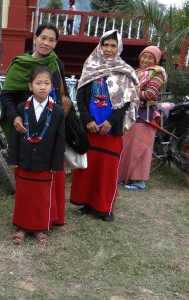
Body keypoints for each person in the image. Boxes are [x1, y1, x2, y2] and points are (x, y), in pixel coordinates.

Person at [0, 22, 72, 227]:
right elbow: (6, 97)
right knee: (28, 178)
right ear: (35, 39)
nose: (46, 43)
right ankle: (26, 219)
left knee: (51, 174)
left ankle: (51, 217)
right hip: (25, 125)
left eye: (51, 40)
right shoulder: (20, 63)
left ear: (56, 43)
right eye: (43, 38)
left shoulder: (56, 63)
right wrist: (15, 117)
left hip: (51, 124)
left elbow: (62, 93)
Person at [69, 29, 140, 222]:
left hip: (111, 131)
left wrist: (110, 121)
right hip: (90, 129)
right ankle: (86, 202)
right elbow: (81, 98)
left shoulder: (124, 71)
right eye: (105, 45)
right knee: (88, 168)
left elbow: (126, 102)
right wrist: (88, 120)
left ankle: (104, 207)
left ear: (119, 48)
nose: (108, 49)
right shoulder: (90, 67)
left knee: (107, 170)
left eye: (112, 45)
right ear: (100, 46)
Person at [9, 66, 65, 244]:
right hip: (25, 159)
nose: (42, 87)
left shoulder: (57, 111)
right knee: (24, 195)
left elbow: (60, 138)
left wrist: (56, 164)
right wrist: (14, 159)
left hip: (45, 161)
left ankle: (40, 227)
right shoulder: (21, 108)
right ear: (30, 86)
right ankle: (22, 227)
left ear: (52, 86)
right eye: (38, 83)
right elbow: (15, 136)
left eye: (47, 83)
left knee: (42, 196)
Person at [119, 46, 167, 191]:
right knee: (128, 146)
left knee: (140, 148)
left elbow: (151, 93)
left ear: (156, 60)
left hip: (145, 114)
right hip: (133, 112)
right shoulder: (137, 72)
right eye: (144, 57)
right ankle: (125, 177)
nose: (145, 60)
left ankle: (139, 182)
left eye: (150, 58)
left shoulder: (158, 74)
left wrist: (129, 91)